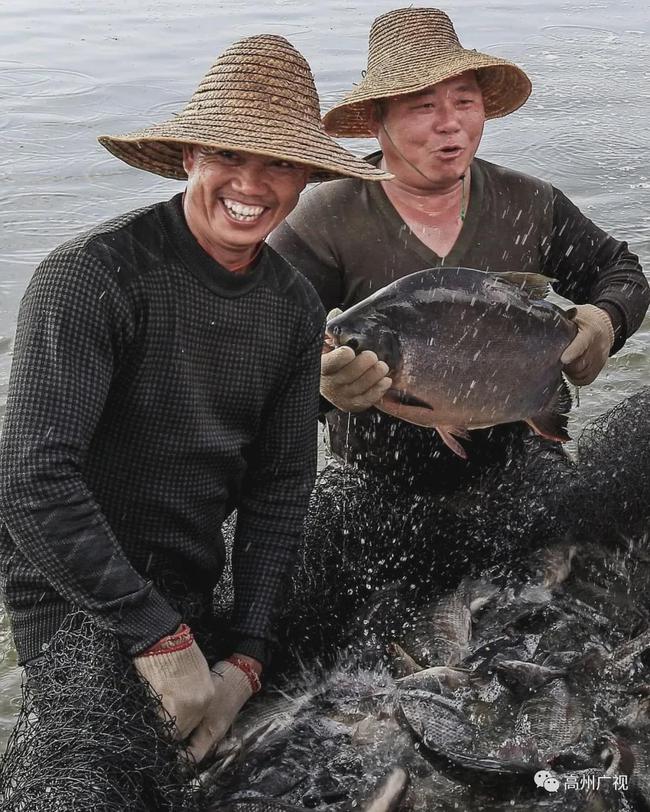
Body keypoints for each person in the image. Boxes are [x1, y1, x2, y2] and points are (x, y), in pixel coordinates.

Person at [0, 33, 390, 770]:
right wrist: (159, 638)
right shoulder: (92, 277)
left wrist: (246, 657)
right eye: (228, 156)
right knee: (103, 766)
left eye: (278, 161)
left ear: (306, 175)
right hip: (74, 593)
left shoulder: (295, 308)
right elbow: (31, 481)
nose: (251, 185)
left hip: (191, 584)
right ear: (188, 157)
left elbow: (279, 491)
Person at [268, 8, 649, 658]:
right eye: (422, 106)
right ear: (378, 120)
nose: (450, 124)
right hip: (381, 488)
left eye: (464, 101)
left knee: (570, 627)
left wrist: (601, 321)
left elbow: (622, 272)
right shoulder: (324, 221)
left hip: (521, 463)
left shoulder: (528, 202)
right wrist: (323, 389)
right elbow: (257, 373)